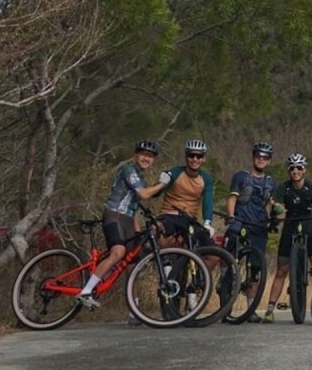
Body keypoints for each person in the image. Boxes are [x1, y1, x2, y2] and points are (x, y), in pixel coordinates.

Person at [76, 140, 166, 325]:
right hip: (114, 215)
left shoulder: (140, 177)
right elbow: (143, 195)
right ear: (135, 155)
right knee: (118, 252)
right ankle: (86, 290)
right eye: (143, 155)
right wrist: (162, 184)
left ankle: (135, 312)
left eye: (150, 157)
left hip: (127, 220)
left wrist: (138, 231)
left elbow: (133, 205)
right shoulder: (128, 170)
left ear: (153, 160)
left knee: (133, 265)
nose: (146, 159)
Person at [262, 154, 312, 323]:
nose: (296, 171)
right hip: (290, 227)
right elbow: (275, 204)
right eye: (292, 168)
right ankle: (270, 310)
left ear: (304, 169)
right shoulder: (283, 187)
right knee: (281, 271)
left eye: (299, 168)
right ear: (288, 170)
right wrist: (277, 209)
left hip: (309, 227)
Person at [224, 141, 278, 323]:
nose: (261, 159)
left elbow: (272, 204)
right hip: (240, 222)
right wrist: (231, 216)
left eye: (265, 157)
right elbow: (232, 198)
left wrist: (275, 216)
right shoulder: (241, 176)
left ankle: (251, 309)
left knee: (254, 270)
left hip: (259, 226)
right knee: (232, 263)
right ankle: (226, 306)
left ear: (269, 161)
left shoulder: (271, 182)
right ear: (253, 158)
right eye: (258, 156)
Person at [156, 139, 215, 248]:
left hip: (189, 220)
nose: (195, 159)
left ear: (204, 159)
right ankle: (164, 263)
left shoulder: (206, 179)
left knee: (213, 255)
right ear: (186, 156)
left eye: (199, 156)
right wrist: (160, 182)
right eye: (191, 155)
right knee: (160, 234)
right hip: (169, 215)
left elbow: (208, 202)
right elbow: (157, 192)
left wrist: (207, 222)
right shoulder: (176, 171)